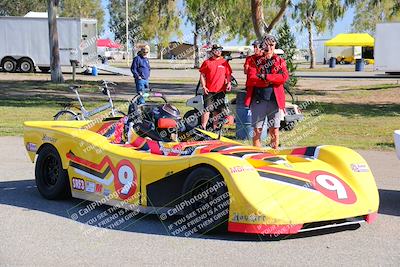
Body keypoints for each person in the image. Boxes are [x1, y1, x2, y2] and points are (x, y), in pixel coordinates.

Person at [245, 34, 289, 148]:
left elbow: (284, 77)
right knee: (257, 130)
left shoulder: (280, 61)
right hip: (258, 100)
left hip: (274, 100)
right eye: (266, 45)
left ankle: (274, 153)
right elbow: (252, 78)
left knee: (274, 130)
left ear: (275, 46)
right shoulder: (254, 60)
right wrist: (273, 79)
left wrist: (265, 77)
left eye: (272, 45)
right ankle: (256, 155)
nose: (269, 48)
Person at [199, 44, 232, 130]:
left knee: (217, 110)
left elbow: (228, 74)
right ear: (212, 51)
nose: (219, 52)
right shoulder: (207, 62)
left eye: (220, 50)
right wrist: (204, 86)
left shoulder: (224, 62)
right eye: (217, 50)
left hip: (221, 90)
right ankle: (203, 127)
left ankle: (215, 128)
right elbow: (202, 75)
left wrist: (228, 83)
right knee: (207, 109)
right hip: (209, 90)